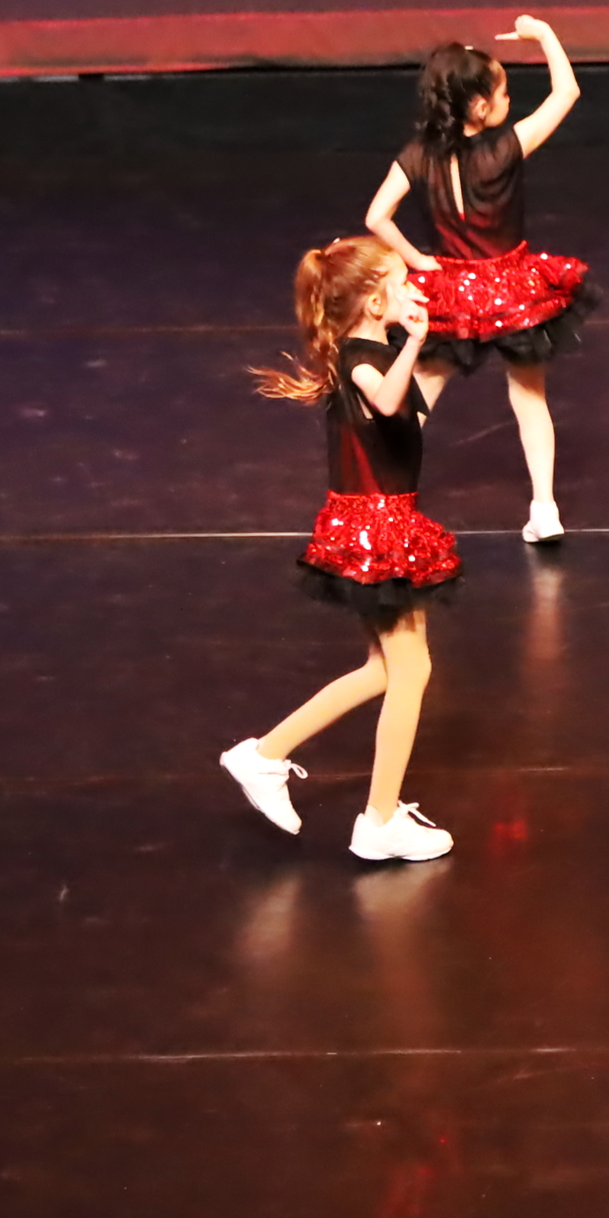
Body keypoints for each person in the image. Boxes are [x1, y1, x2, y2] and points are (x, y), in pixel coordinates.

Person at [219, 237, 458, 862]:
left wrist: (432, 356)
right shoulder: (360, 358)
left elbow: (403, 425)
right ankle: (380, 820)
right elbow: (385, 397)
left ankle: (264, 755)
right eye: (402, 282)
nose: (412, 290)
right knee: (413, 670)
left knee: (384, 669)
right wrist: (415, 344)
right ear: (375, 301)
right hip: (379, 529)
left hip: (369, 524)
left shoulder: (369, 353)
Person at [364, 18, 592, 543]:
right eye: (504, 92)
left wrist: (418, 260)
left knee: (418, 397)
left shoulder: (417, 156)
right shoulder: (506, 147)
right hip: (516, 291)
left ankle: (384, 502)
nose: (510, 99)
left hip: (451, 291)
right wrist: (544, 35)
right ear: (480, 107)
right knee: (530, 398)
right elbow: (566, 92)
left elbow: (377, 217)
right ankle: (545, 508)